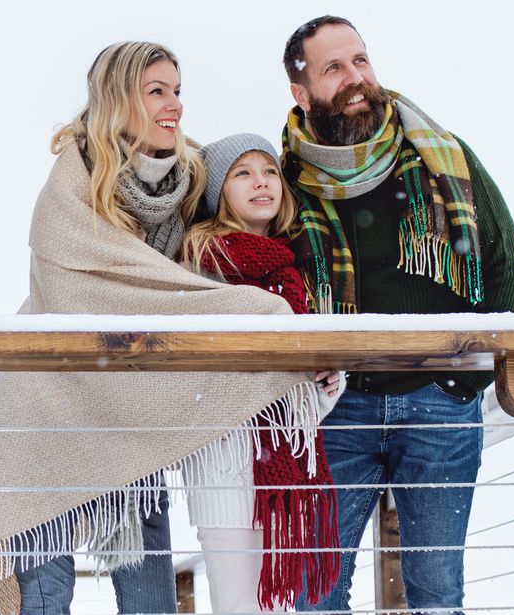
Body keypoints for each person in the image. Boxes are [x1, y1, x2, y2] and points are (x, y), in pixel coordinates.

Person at [0, 41, 331, 615]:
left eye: (178, 91)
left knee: (150, 602)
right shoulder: (68, 191)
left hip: (135, 426)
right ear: (117, 101)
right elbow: (107, 295)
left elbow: (192, 284)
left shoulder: (188, 184)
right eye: (156, 91)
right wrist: (257, 313)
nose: (175, 106)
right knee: (41, 599)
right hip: (51, 417)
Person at [276, 16, 514, 612]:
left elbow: (510, 272)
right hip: (336, 409)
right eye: (333, 68)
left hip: (438, 402)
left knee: (437, 592)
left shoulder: (443, 159)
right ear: (300, 91)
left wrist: (462, 378)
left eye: (360, 60)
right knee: (318, 596)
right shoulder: (284, 179)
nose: (355, 78)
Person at [181, 133, 347, 612]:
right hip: (227, 472)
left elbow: (301, 394)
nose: (262, 182)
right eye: (244, 173)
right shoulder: (201, 266)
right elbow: (205, 375)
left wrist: (328, 383)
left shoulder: (289, 273)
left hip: (283, 479)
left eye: (270, 171)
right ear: (219, 193)